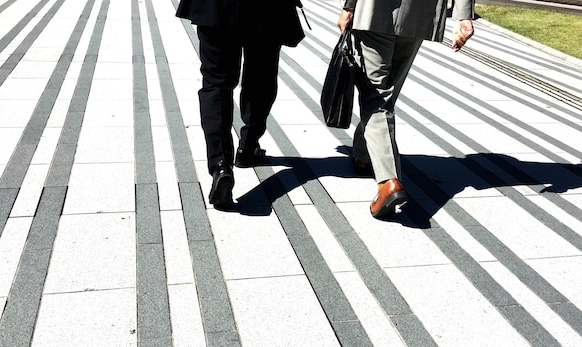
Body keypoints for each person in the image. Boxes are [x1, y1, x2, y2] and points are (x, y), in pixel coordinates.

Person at [336, 0, 475, 218]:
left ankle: (388, 181)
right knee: (385, 95)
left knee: (377, 97)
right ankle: (363, 154)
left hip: (375, 11)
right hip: (418, 14)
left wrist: (349, 6)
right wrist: (463, 15)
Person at [176, 0, 305, 207]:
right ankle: (248, 145)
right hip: (266, 8)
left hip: (214, 7)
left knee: (216, 84)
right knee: (261, 77)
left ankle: (220, 164)